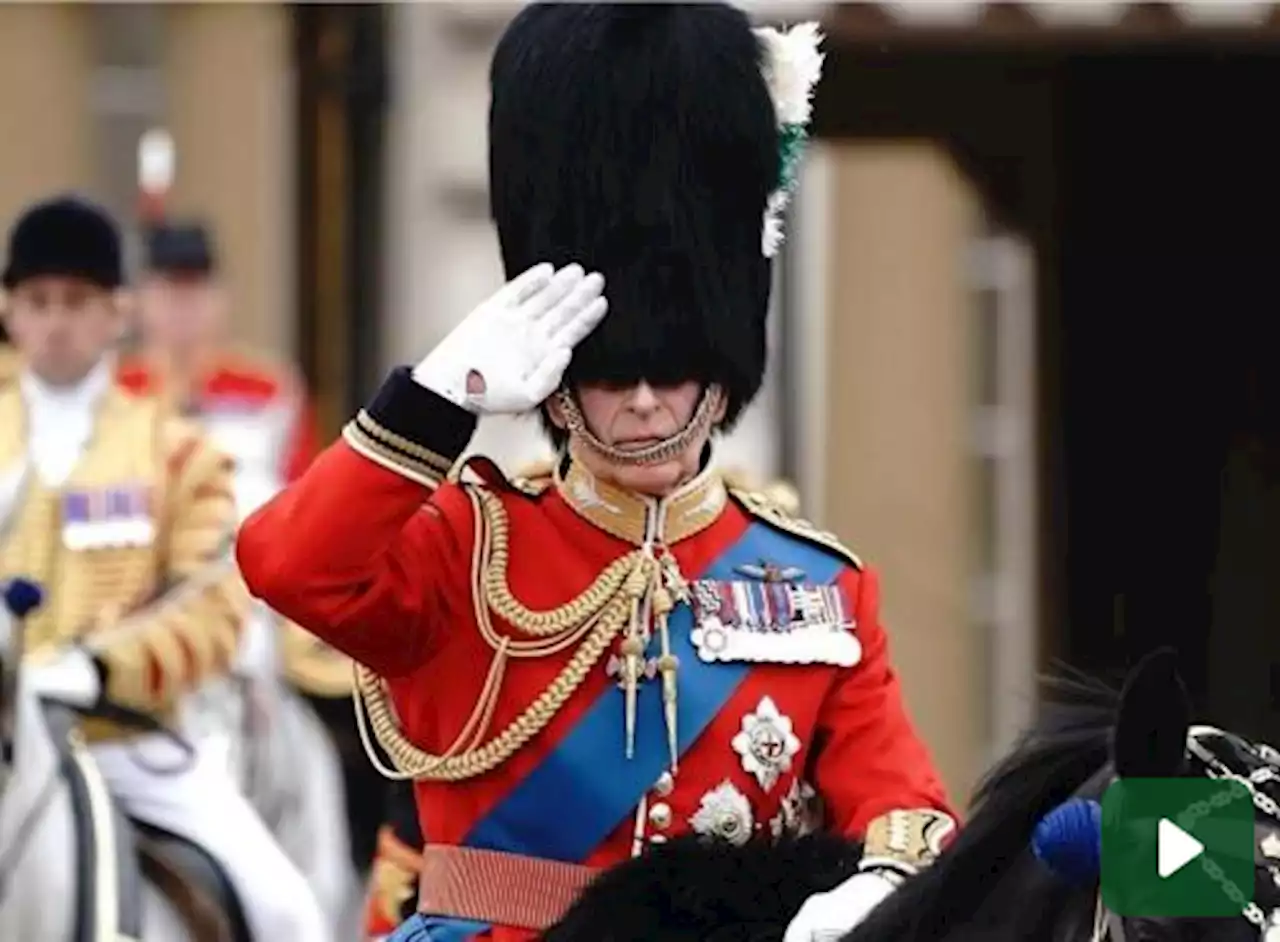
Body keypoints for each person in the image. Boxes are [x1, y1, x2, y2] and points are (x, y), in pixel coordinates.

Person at [236, 5, 957, 941]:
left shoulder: (823, 588)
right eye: (615, 370)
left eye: (674, 369)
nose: (648, 401)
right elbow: (288, 563)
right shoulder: (470, 543)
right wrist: (435, 399)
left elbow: (907, 807)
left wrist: (873, 884)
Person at [0, 195, 329, 940]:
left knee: (288, 911)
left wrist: (96, 670)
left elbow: (213, 605)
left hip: (129, 740)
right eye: (38, 301)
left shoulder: (180, 453)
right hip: (3, 745)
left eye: (77, 302)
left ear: (117, 312)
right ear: (12, 311)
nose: (56, 321)